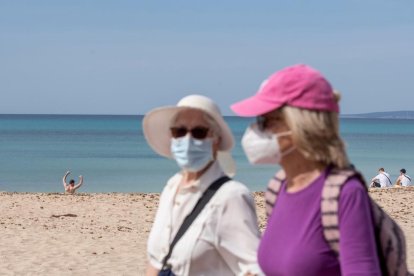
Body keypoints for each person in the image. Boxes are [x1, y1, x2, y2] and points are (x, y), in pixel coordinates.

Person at [231, 64, 380, 275]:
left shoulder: (345, 194)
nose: (255, 130)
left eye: (266, 120)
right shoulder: (277, 187)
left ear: (299, 124)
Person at [143, 95, 262, 276]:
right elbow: (156, 261)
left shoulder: (230, 197)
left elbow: (253, 269)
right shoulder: (171, 187)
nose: (187, 139)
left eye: (199, 132)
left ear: (215, 139)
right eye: (179, 131)